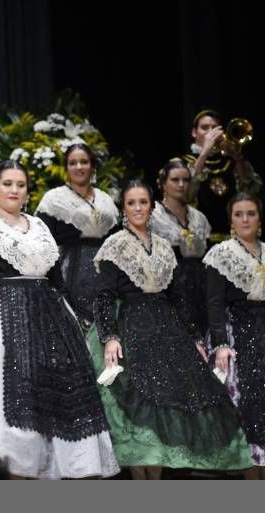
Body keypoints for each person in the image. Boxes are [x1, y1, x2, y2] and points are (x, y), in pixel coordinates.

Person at [0, 160, 118, 479]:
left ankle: (67, 469)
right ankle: (15, 470)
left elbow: (56, 279)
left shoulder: (40, 227)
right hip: (2, 316)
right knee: (10, 397)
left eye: (20, 184)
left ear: (28, 192)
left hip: (48, 317)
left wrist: (69, 317)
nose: (14, 190)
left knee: (59, 395)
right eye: (7, 184)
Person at [88, 180, 252, 479]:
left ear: (151, 206)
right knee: (140, 406)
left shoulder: (164, 246)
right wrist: (109, 337)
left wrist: (193, 338)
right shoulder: (115, 245)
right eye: (131, 203)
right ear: (124, 208)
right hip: (132, 326)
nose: (138, 208)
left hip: (166, 328)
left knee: (171, 406)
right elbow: (103, 296)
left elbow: (178, 297)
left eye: (143, 202)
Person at [204, 192, 265, 479]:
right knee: (248, 406)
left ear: (259, 218)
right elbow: (214, 302)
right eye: (239, 214)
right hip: (236, 333)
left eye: (251, 213)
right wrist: (220, 344)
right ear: (230, 219)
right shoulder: (222, 253)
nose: (245, 219)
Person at [36, 143, 119, 329]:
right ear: (66, 168)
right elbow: (43, 243)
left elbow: (118, 241)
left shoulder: (106, 199)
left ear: (93, 166)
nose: (79, 167)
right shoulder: (53, 199)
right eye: (73, 163)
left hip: (104, 275)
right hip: (68, 276)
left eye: (84, 162)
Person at [150, 158, 212, 338]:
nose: (181, 184)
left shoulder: (199, 217)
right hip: (171, 288)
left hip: (201, 286)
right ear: (163, 183)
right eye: (175, 180)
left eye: (186, 180)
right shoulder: (154, 216)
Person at [183, 109, 260, 241]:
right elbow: (185, 194)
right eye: (205, 128)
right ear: (194, 132)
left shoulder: (231, 161)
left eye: (215, 128)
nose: (210, 132)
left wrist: (238, 157)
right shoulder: (183, 161)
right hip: (199, 239)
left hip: (234, 237)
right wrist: (205, 151)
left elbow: (251, 190)